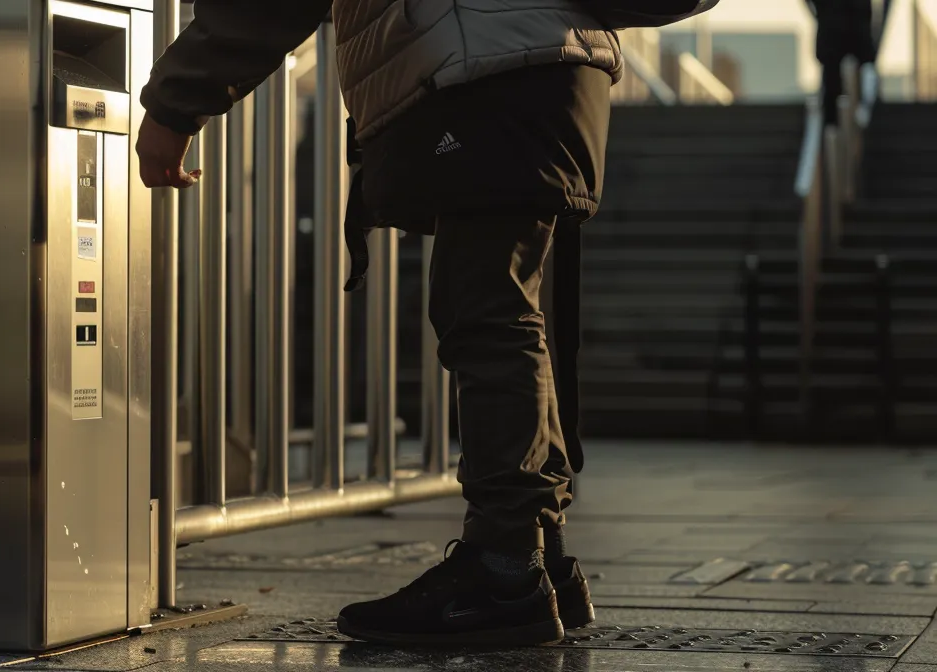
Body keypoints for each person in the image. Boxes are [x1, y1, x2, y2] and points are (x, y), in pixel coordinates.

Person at [135, 0, 622, 648]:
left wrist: (175, 103)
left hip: (488, 64)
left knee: (484, 309)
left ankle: (506, 572)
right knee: (508, 301)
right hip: (562, 58)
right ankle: (545, 558)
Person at [810, 0, 880, 126]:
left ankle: (835, 122)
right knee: (832, 82)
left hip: (840, 31)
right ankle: (833, 124)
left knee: (834, 81)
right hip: (841, 32)